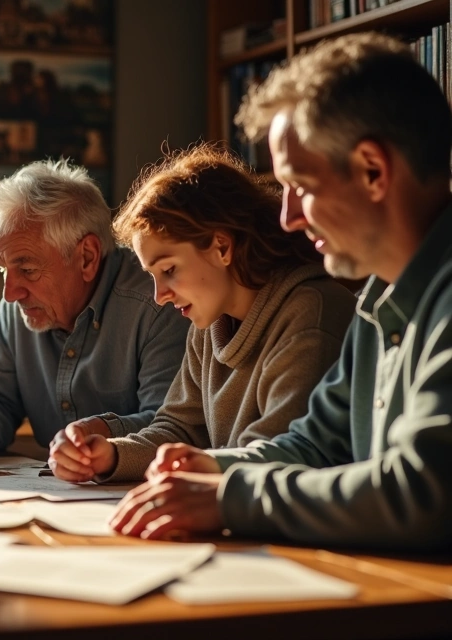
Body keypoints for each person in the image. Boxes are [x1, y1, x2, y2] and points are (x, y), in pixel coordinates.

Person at [111, 32, 452, 551]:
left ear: (372, 171)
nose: (289, 217)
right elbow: (316, 444)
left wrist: (230, 498)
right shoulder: (377, 301)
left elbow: (423, 493)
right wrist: (213, 468)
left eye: (302, 186)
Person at [49, 144, 355, 483]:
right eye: (152, 276)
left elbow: (282, 456)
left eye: (169, 270)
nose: (159, 296)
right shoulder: (210, 321)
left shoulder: (309, 315)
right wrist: (112, 455)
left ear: (221, 247)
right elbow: (181, 427)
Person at [0, 159, 190, 460]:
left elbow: (173, 426)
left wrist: (103, 433)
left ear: (87, 257)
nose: (10, 293)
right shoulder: (18, 305)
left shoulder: (159, 303)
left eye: (27, 269)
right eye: (2, 269)